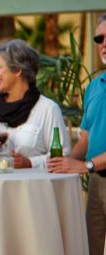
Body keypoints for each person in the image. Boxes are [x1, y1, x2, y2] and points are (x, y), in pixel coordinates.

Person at [47, 14, 106, 255]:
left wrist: (84, 166)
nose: (103, 43)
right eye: (99, 38)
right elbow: (86, 137)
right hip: (96, 181)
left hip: (92, 169)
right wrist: (64, 162)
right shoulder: (94, 86)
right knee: (89, 247)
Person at [0, 39, 70, 169]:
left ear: (17, 70)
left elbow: (62, 156)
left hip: (31, 187)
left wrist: (30, 163)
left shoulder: (47, 109)